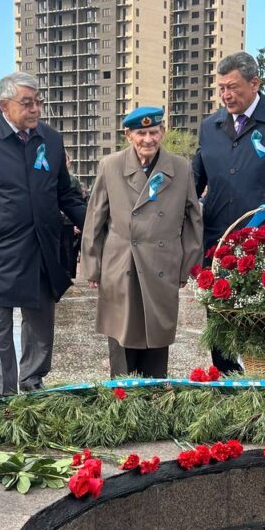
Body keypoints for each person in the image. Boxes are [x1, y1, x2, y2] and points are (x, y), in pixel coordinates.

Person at [0, 71, 86, 399]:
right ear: (4, 105)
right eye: (27, 103)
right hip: (0, 250)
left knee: (41, 322)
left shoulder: (50, 140)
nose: (36, 109)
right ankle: (3, 393)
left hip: (43, 248)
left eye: (38, 102)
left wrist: (95, 224)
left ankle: (33, 384)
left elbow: (65, 194)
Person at [193, 51, 265, 373]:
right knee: (221, 328)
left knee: (264, 330)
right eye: (221, 89)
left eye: (233, 87)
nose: (226, 95)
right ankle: (228, 393)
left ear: (255, 83)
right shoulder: (210, 127)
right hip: (219, 243)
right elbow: (193, 181)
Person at [81, 106, 203, 379]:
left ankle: (155, 402)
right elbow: (95, 218)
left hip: (162, 264)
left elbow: (193, 220)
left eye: (153, 132)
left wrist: (188, 268)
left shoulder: (181, 168)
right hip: (122, 264)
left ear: (163, 132)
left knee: (157, 341)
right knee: (122, 342)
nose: (148, 139)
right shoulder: (110, 166)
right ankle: (124, 406)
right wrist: (93, 264)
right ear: (128, 135)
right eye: (141, 133)